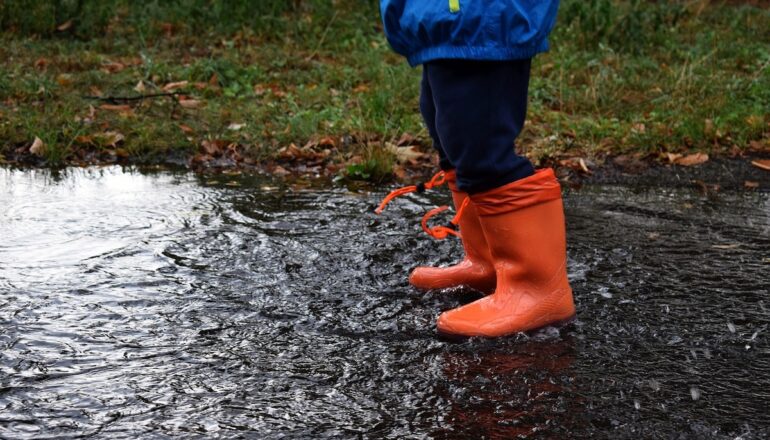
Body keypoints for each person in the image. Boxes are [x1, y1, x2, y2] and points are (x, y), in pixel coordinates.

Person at [378, 0, 576, 337]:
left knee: (481, 146)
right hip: (446, 19)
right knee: (452, 137)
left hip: (479, 17)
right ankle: (488, 263)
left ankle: (537, 289)